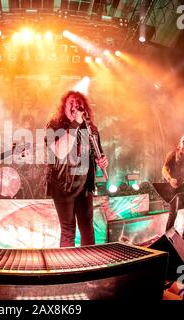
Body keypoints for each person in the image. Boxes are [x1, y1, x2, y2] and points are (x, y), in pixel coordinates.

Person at [45, 91, 108, 247]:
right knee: (68, 230)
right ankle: (67, 268)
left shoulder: (91, 128)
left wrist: (102, 160)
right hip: (63, 185)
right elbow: (59, 152)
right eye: (71, 103)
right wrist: (75, 124)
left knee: (87, 228)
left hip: (84, 185)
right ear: (64, 107)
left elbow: (97, 153)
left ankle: (89, 266)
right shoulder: (54, 126)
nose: (75, 106)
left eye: (78, 103)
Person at [162, 135, 184, 239]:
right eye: (183, 141)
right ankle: (167, 238)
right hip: (173, 187)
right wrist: (169, 179)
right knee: (173, 213)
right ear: (180, 143)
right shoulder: (173, 154)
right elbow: (164, 169)